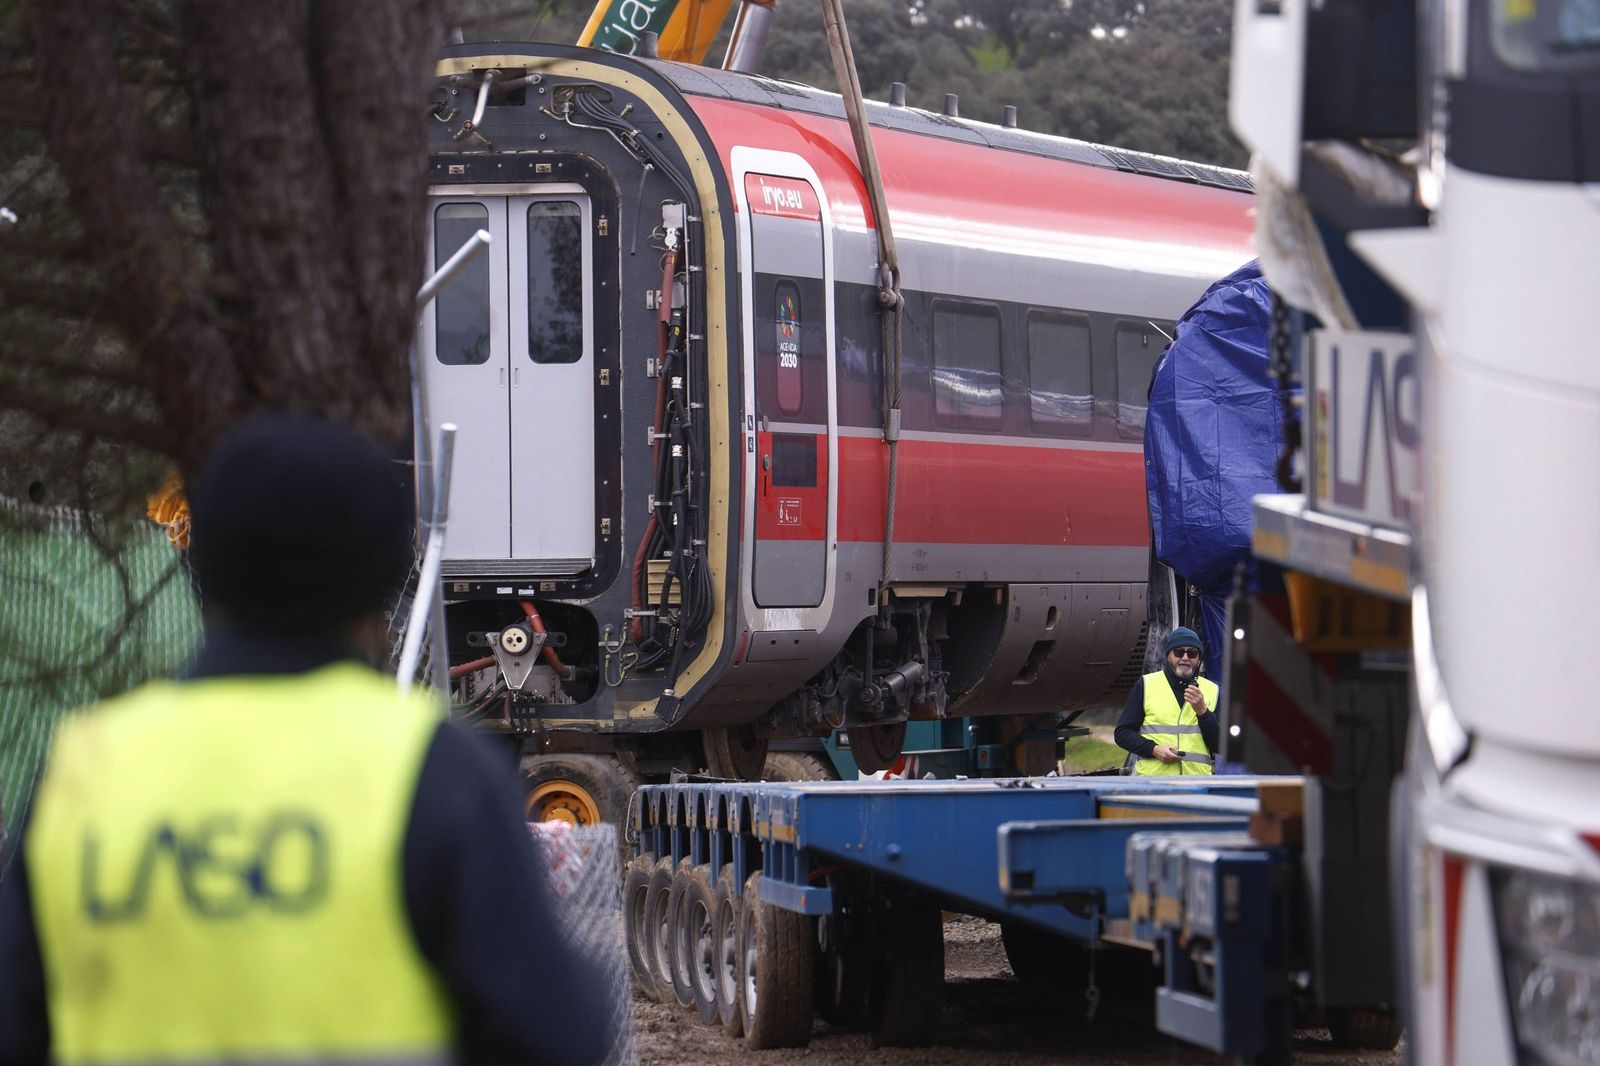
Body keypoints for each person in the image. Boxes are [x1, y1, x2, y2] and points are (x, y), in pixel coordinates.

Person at [0, 415, 613, 1066]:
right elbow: (557, 1032)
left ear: (202, 556)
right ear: (379, 578)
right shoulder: (433, 773)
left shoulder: (86, 771)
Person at [1115, 626, 1220, 776]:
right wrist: (1154, 749)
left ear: (1198, 659)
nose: (1185, 658)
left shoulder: (1212, 690)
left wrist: (1203, 712)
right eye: (1178, 652)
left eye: (1192, 653)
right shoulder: (1146, 684)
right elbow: (1122, 734)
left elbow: (1220, 746)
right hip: (1154, 786)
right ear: (1168, 655)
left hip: (1197, 787)